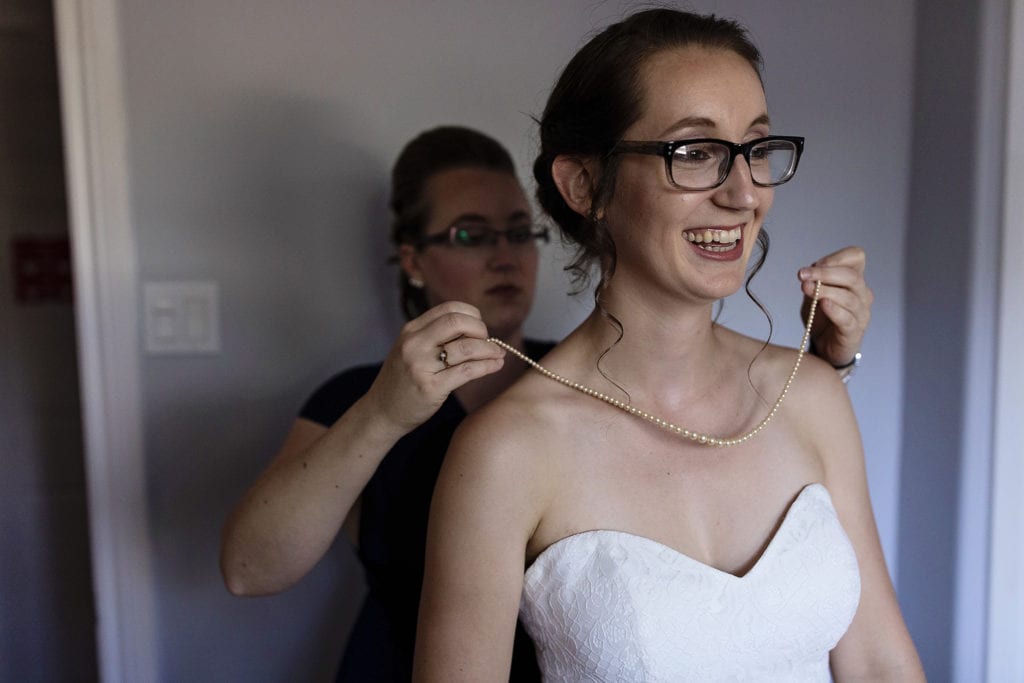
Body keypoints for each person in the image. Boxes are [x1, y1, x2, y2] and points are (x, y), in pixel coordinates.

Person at [219, 122, 874, 680]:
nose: (506, 256)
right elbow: (249, 568)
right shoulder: (355, 396)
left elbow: (717, 476)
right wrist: (382, 414)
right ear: (413, 259)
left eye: (517, 231)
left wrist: (823, 371)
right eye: (472, 236)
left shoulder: (594, 380)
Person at [413, 10, 922, 683]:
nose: (743, 194)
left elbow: (882, 663)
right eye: (696, 152)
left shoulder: (812, 393)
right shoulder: (507, 449)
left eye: (756, 148)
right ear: (585, 186)